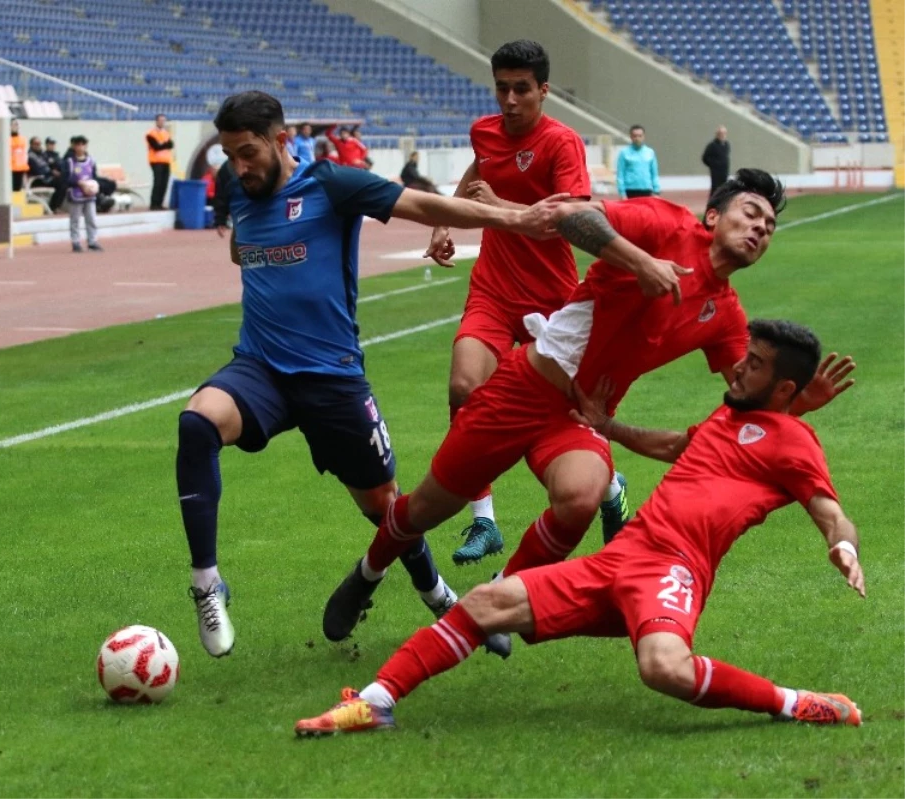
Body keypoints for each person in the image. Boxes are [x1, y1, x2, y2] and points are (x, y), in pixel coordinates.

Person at [322, 169, 855, 651]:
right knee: (422, 512)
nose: (761, 227)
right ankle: (367, 574)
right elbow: (570, 215)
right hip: (523, 386)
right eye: (750, 213)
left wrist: (795, 403)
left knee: (581, 497)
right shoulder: (665, 223)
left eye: (769, 225)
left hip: (580, 416)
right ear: (713, 215)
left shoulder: (726, 314)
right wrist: (638, 261)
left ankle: (491, 603)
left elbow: (748, 396)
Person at [297, 319, 864, 736]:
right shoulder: (729, 416)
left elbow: (828, 508)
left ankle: (795, 703)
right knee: (485, 603)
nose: (739, 365)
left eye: (756, 364)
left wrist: (841, 544)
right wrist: (607, 425)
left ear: (784, 388)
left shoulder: (795, 441)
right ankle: (375, 701)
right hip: (619, 559)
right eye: (746, 355)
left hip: (673, 569)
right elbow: (674, 445)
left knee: (663, 667)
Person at [177, 90, 567, 658]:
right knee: (196, 424)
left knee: (386, 507)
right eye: (230, 156)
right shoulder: (241, 190)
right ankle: (207, 584)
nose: (238, 168)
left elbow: (426, 207)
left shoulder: (333, 183)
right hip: (259, 368)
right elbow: (243, 247)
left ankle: (436, 593)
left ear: (282, 141)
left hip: (332, 378)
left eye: (248, 153)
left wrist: (514, 217)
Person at [424, 40, 621, 565]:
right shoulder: (484, 131)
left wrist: (505, 208)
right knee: (465, 387)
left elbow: (576, 219)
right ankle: (483, 521)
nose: (510, 100)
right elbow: (476, 176)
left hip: (553, 297)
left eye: (521, 89)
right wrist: (446, 219)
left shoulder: (562, 142)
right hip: (492, 287)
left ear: (543, 91)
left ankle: (610, 486)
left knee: (569, 410)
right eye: (502, 88)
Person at [64, 135, 100, 253]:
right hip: (76, 194)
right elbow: (66, 178)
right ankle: (75, 242)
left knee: (91, 218)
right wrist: (79, 183)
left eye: (82, 144)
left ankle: (92, 241)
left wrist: (93, 186)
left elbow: (94, 176)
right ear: (73, 146)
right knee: (75, 219)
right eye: (77, 144)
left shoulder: (91, 161)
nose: (80, 147)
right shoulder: (69, 161)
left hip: (89, 195)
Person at [616, 124, 660, 199]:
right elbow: (620, 174)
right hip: (629, 191)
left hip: (646, 190)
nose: (637, 138)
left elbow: (654, 174)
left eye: (640, 136)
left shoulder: (650, 152)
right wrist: (622, 193)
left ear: (644, 137)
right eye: (635, 136)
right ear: (631, 137)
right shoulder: (624, 153)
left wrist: (656, 191)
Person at [146, 113, 173, 210]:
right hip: (156, 161)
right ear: (156, 121)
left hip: (166, 161)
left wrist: (163, 144)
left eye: (163, 120)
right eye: (160, 120)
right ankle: (154, 203)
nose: (162, 122)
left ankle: (160, 203)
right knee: (157, 182)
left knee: (164, 183)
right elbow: (156, 146)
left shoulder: (166, 133)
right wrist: (163, 145)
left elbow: (171, 145)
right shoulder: (151, 133)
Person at [702, 125, 731, 197]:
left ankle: (721, 205)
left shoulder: (727, 144)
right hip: (716, 173)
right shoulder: (712, 145)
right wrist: (713, 165)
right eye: (721, 134)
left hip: (724, 172)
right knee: (715, 189)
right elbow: (705, 158)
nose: (723, 135)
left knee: (724, 189)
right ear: (717, 134)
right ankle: (712, 205)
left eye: (724, 133)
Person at [41, 137, 66, 210]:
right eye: (50, 144)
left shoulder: (57, 156)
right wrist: (52, 171)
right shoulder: (44, 155)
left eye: (53, 144)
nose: (52, 146)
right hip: (48, 178)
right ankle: (54, 206)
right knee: (61, 184)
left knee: (65, 183)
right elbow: (44, 167)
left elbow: (62, 166)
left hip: (59, 177)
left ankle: (57, 206)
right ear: (46, 145)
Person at [9, 119, 27, 192]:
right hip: (10, 168)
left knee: (18, 189)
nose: (15, 126)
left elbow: (25, 154)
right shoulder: (7, 139)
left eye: (16, 124)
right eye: (13, 124)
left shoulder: (22, 139)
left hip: (20, 167)